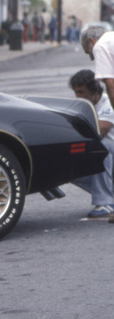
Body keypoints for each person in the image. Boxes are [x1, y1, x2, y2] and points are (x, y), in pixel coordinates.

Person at [69, 69, 114, 219]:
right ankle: (109, 194)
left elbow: (99, 133)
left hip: (110, 153)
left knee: (101, 147)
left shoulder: (108, 104)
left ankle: (105, 201)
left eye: (81, 92)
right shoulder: (82, 106)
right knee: (68, 164)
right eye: (76, 92)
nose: (78, 96)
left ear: (94, 91)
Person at [81, 25, 114, 104]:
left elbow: (111, 86)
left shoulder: (99, 46)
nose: (92, 59)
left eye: (89, 53)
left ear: (91, 41)